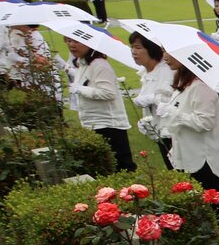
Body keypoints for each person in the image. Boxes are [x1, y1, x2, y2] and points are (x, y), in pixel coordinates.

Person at [155, 55, 219, 245]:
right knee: (203, 209)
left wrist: (173, 113)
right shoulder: (183, 84)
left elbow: (204, 122)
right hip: (190, 158)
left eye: (168, 52)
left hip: (207, 161)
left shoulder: (201, 87)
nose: (165, 57)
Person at [64, 35, 136, 171]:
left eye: (76, 41)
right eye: (68, 41)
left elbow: (108, 93)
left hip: (109, 125)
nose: (71, 45)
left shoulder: (99, 65)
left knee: (121, 166)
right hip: (93, 123)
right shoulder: (82, 63)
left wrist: (80, 89)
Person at [129, 32, 176, 169]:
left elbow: (172, 98)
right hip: (159, 132)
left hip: (171, 132)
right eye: (132, 47)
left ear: (151, 49)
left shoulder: (167, 70)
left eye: (138, 48)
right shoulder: (147, 72)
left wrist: (150, 99)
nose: (134, 52)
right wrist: (145, 121)